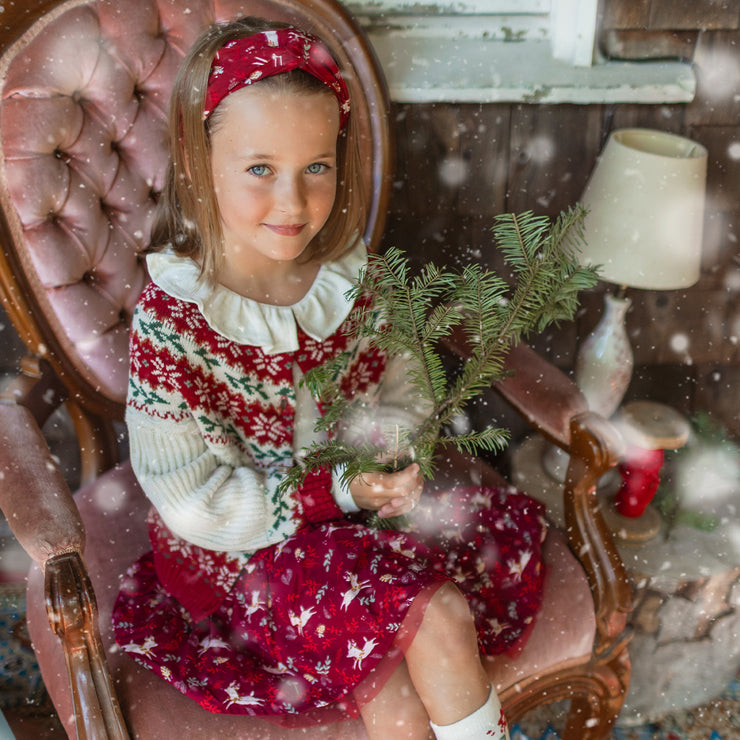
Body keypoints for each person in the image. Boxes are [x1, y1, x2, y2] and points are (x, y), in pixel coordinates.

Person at [113, 16, 547, 740]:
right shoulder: (174, 320)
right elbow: (191, 502)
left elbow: (404, 386)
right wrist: (334, 489)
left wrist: (389, 452)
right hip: (244, 557)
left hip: (357, 528)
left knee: (406, 666)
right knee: (430, 618)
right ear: (197, 162)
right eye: (260, 169)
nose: (292, 203)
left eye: (315, 167)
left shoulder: (349, 281)